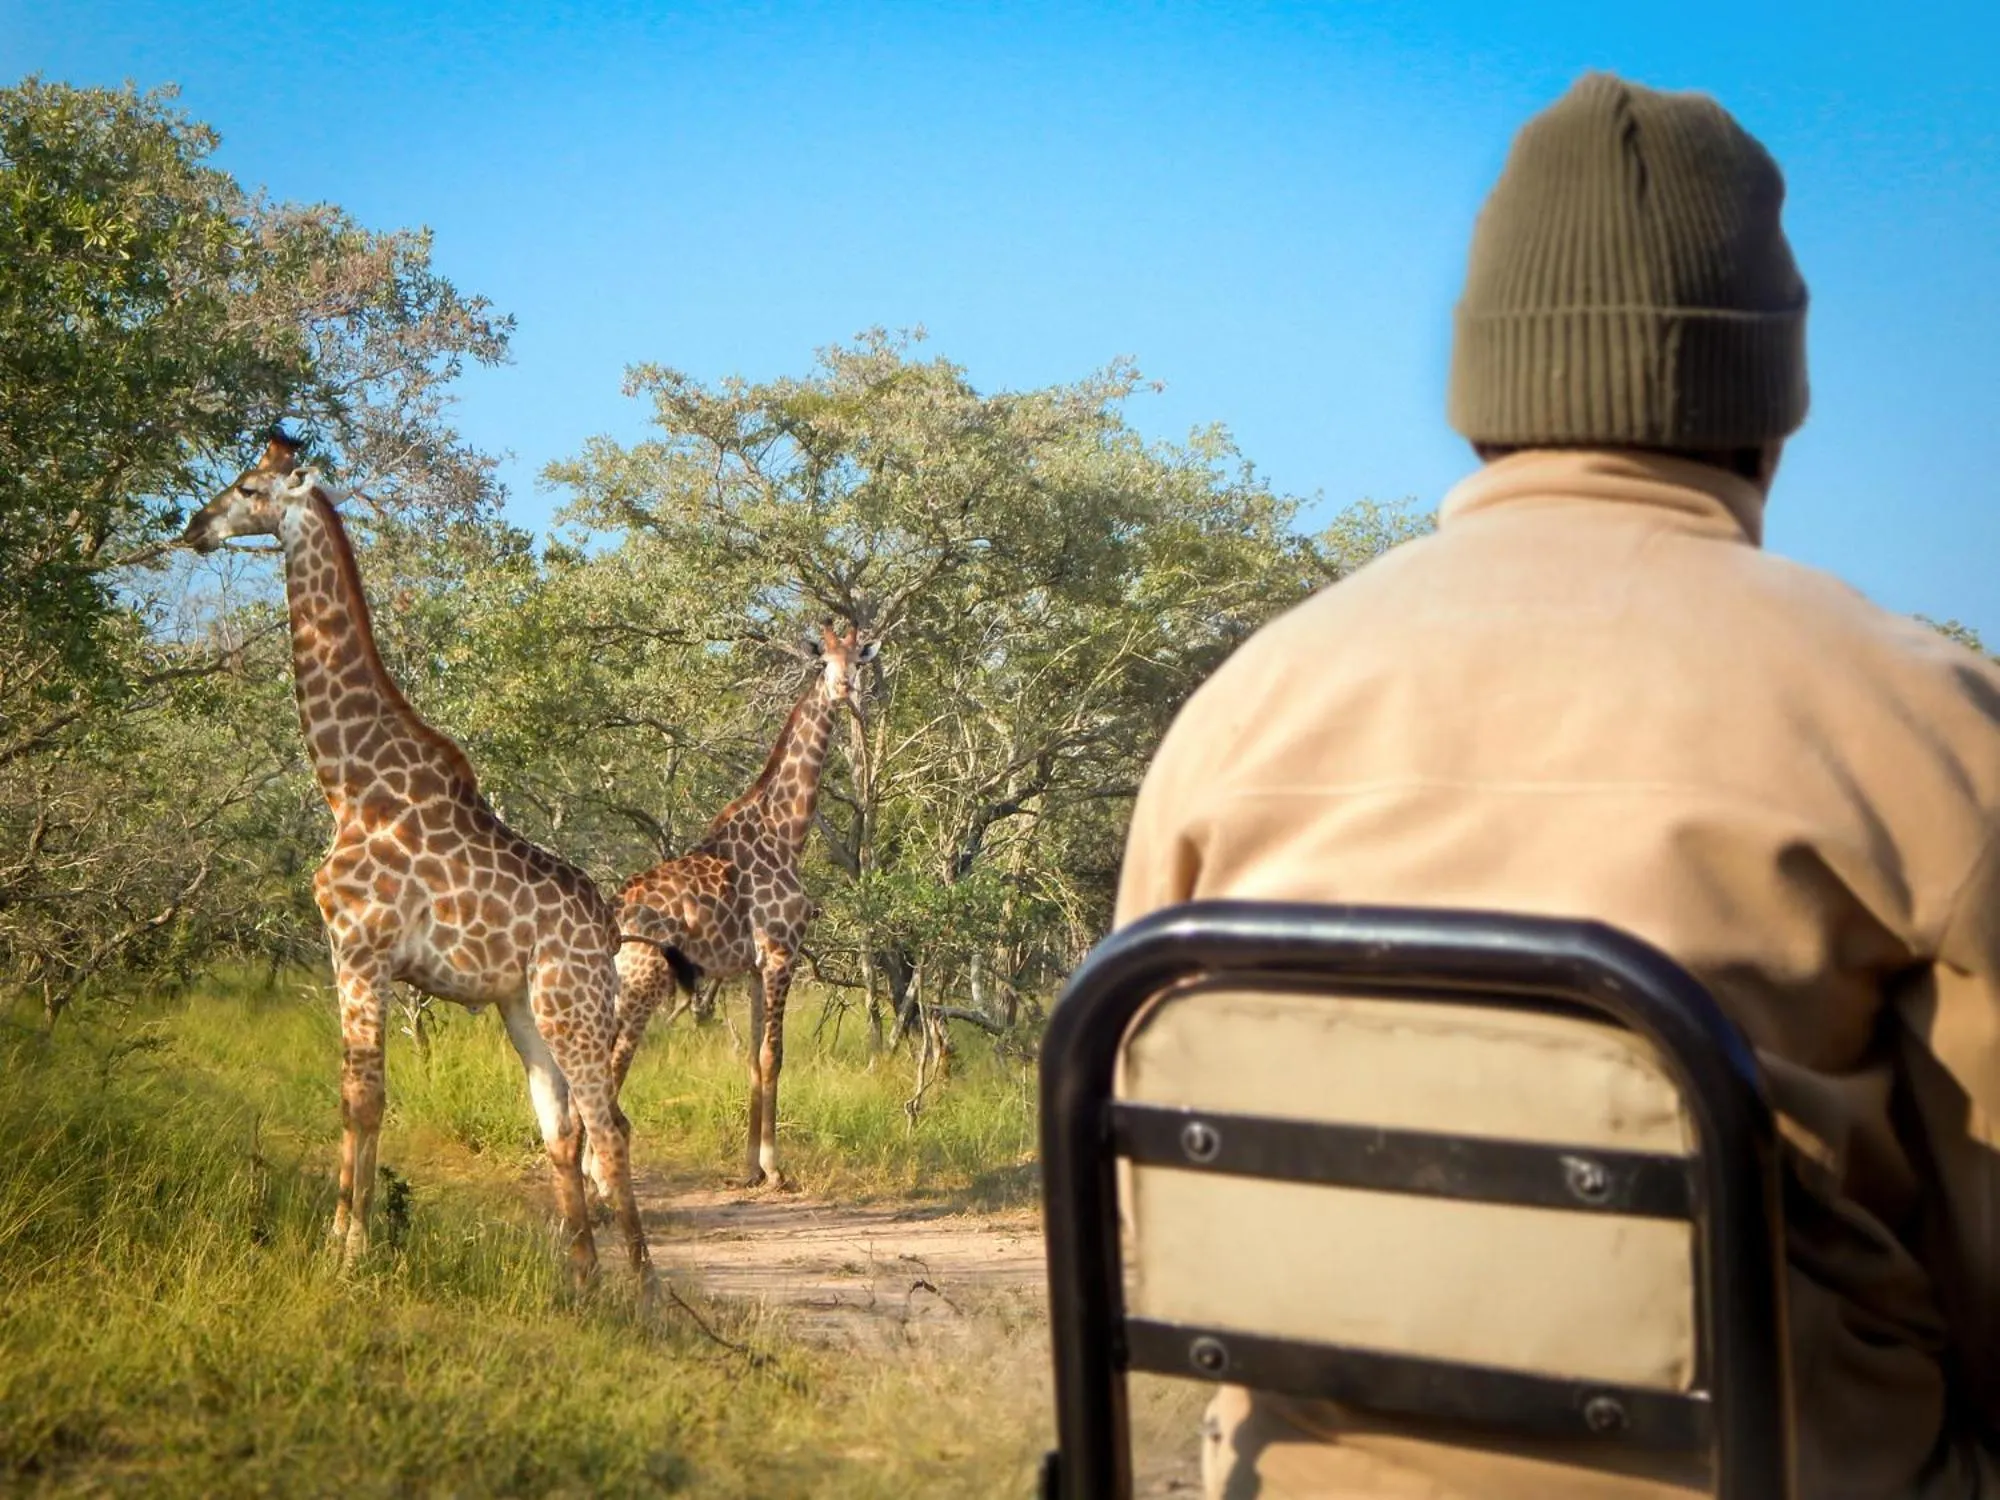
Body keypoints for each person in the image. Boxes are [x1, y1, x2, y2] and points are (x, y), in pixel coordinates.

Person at [1114, 71, 2000, 1499]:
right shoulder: (1932, 727)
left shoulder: (1236, 716)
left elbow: (1150, 1210)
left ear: (1481, 394)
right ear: (1770, 402)